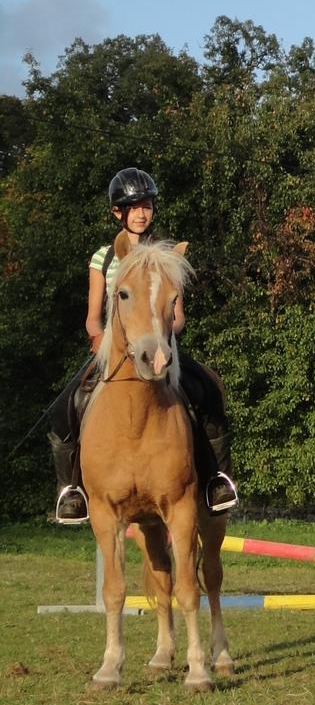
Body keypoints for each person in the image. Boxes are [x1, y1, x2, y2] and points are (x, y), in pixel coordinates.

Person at [47, 167, 239, 523]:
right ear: (117, 213)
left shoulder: (166, 255)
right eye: (132, 207)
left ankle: (216, 481)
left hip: (161, 348)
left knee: (207, 392)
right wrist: (99, 338)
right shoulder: (104, 258)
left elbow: (178, 316)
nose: (141, 213)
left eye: (146, 205)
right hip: (114, 353)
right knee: (65, 409)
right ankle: (71, 490)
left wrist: (162, 335)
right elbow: (92, 315)